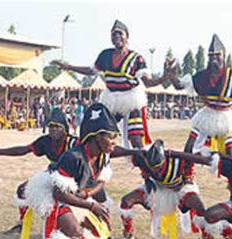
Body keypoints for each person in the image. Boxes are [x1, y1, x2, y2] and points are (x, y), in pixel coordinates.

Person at [24, 103, 139, 239]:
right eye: (110, 136)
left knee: (98, 231)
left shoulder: (103, 156)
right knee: (72, 231)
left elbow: (102, 180)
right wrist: (91, 205)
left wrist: (87, 194)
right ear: (95, 137)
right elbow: (59, 194)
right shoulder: (74, 157)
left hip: (75, 196)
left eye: (114, 137)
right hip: (52, 195)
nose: (114, 141)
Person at [55, 20, 172, 149]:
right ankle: (97, 165)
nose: (117, 37)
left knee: (136, 139)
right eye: (114, 34)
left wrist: (164, 77)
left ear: (127, 36)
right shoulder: (105, 55)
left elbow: (148, 83)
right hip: (111, 101)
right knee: (100, 135)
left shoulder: (136, 58)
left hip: (131, 102)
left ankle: (145, 165)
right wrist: (70, 67)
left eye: (120, 34)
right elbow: (91, 71)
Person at [0, 108, 80, 233]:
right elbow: (24, 150)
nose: (53, 129)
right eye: (50, 126)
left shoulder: (74, 143)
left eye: (57, 126)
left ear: (64, 129)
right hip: (53, 175)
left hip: (74, 179)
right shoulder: (45, 141)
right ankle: (22, 224)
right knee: (22, 190)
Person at [169, 34, 232, 160]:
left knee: (231, 154)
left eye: (218, 55)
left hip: (228, 119)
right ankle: (186, 176)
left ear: (224, 55)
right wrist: (172, 74)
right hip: (207, 116)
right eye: (211, 56)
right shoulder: (200, 77)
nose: (214, 59)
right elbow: (179, 85)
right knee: (189, 148)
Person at [116, 139, 215, 239]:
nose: (155, 172)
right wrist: (147, 180)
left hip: (180, 188)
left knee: (199, 206)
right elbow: (132, 141)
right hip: (158, 188)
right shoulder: (142, 159)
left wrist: (186, 172)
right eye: (152, 169)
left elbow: (193, 153)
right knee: (126, 201)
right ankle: (128, 236)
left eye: (158, 168)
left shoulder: (178, 161)